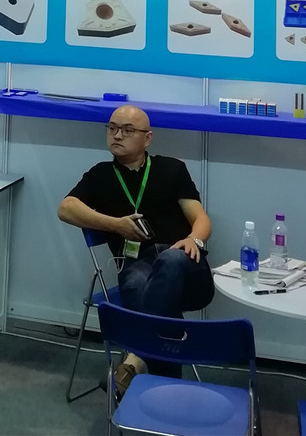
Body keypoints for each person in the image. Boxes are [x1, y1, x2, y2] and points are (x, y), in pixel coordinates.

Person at [58, 104, 214, 396]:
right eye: (112, 128)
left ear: (148, 138)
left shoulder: (172, 169)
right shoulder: (101, 175)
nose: (117, 135)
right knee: (146, 294)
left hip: (185, 264)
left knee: (169, 260)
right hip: (136, 263)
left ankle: (136, 356)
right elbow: (66, 208)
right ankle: (165, 396)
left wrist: (194, 240)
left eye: (128, 130)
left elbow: (201, 219)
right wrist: (116, 225)